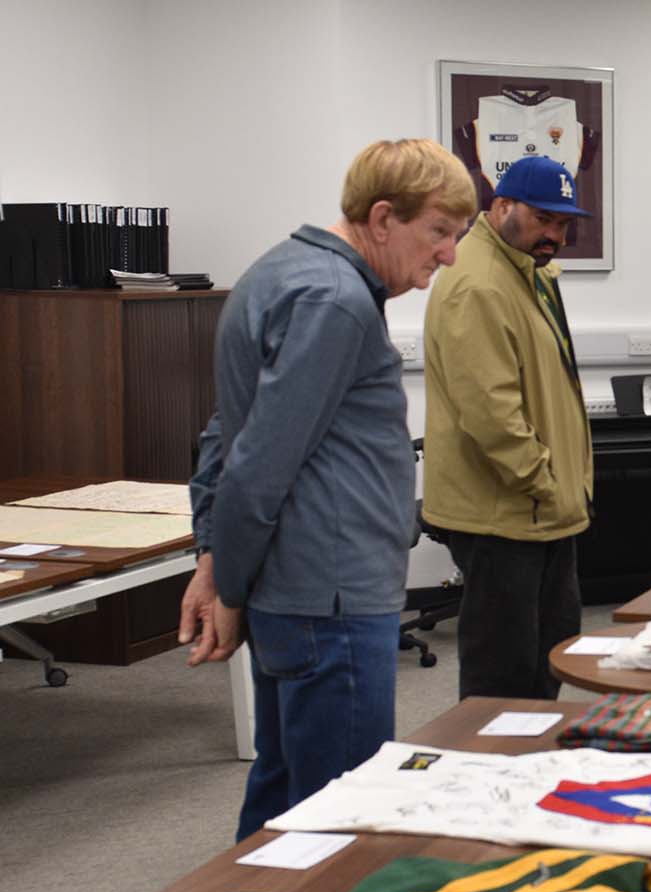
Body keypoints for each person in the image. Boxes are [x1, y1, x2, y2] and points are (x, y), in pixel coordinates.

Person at [178, 138, 475, 841]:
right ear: (381, 217)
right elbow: (258, 462)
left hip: (303, 588)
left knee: (284, 792)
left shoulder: (282, 271)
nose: (449, 255)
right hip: (331, 596)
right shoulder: (336, 300)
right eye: (438, 232)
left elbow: (227, 431)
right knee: (339, 817)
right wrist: (226, 586)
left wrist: (216, 557)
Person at [422, 155, 592, 702]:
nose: (555, 235)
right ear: (500, 208)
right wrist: (544, 481)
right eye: (544, 219)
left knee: (550, 653)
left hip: (539, 510)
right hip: (505, 510)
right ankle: (484, 773)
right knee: (502, 673)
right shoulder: (479, 284)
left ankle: (529, 768)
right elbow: (491, 412)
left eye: (563, 224)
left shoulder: (527, 272)